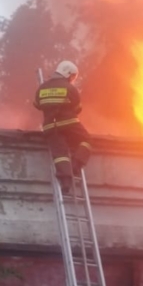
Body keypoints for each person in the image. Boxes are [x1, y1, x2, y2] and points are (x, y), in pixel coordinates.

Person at [34, 60, 93, 194]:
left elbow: (37, 105)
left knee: (60, 154)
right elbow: (78, 108)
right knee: (87, 140)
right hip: (69, 123)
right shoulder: (70, 88)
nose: (72, 79)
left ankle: (66, 182)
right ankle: (76, 165)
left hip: (50, 127)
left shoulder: (42, 88)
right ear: (68, 73)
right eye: (72, 77)